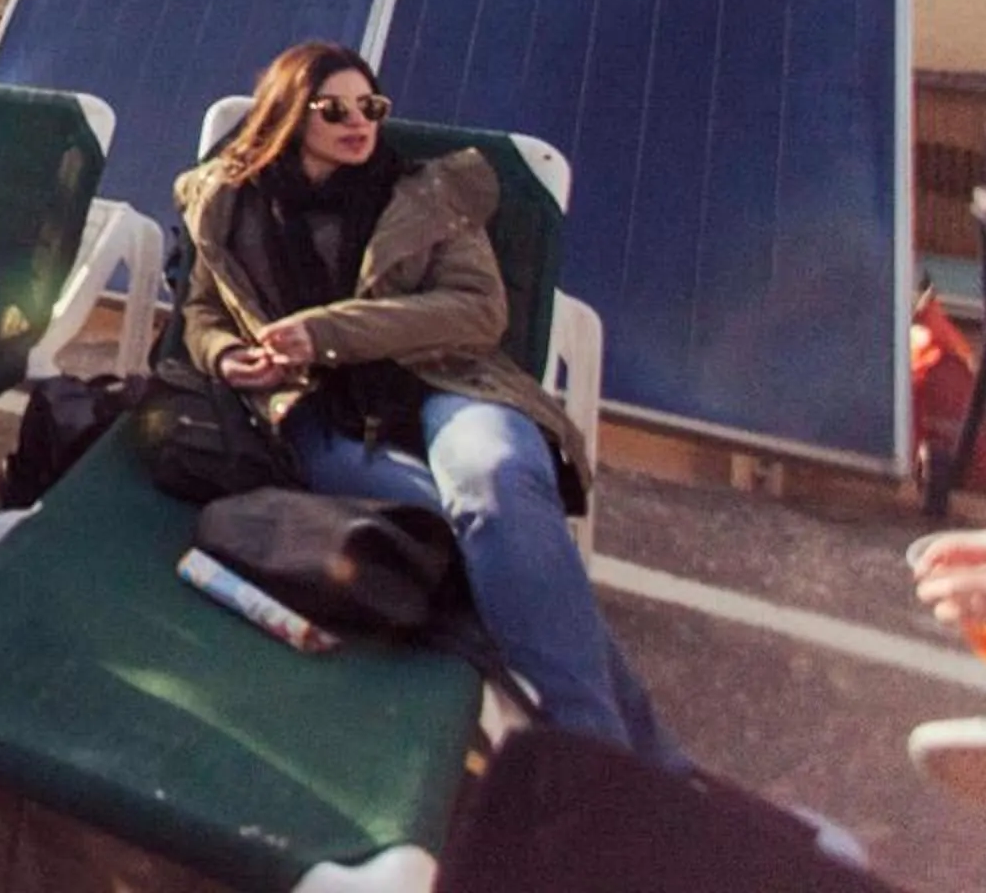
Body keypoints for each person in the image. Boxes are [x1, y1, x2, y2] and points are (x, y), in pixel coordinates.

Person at [177, 41, 678, 762]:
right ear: (289, 113)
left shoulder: (426, 193)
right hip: (325, 421)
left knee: (498, 488)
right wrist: (226, 355)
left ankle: (590, 754)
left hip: (452, 386)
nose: (359, 122)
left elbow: (477, 311)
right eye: (335, 109)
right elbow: (200, 311)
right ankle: (644, 765)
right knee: (489, 544)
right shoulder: (229, 202)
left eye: (371, 106)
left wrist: (326, 333)